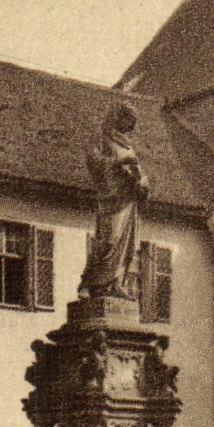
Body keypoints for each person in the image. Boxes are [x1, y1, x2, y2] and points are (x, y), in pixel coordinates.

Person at [79, 101, 149, 299]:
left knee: (128, 246)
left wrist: (142, 182)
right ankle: (90, 283)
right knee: (110, 240)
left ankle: (117, 283)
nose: (128, 126)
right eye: (126, 120)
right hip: (111, 199)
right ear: (117, 117)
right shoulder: (102, 139)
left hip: (128, 201)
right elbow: (93, 162)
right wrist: (118, 162)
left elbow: (138, 172)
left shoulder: (128, 146)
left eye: (131, 123)